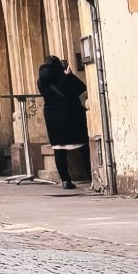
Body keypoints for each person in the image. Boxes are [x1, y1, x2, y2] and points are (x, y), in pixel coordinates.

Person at [38, 55, 89, 190]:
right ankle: (91, 176)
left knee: (59, 149)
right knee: (83, 147)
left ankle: (65, 180)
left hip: (52, 118)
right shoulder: (64, 78)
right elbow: (81, 88)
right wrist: (69, 76)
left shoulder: (41, 82)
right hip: (71, 115)